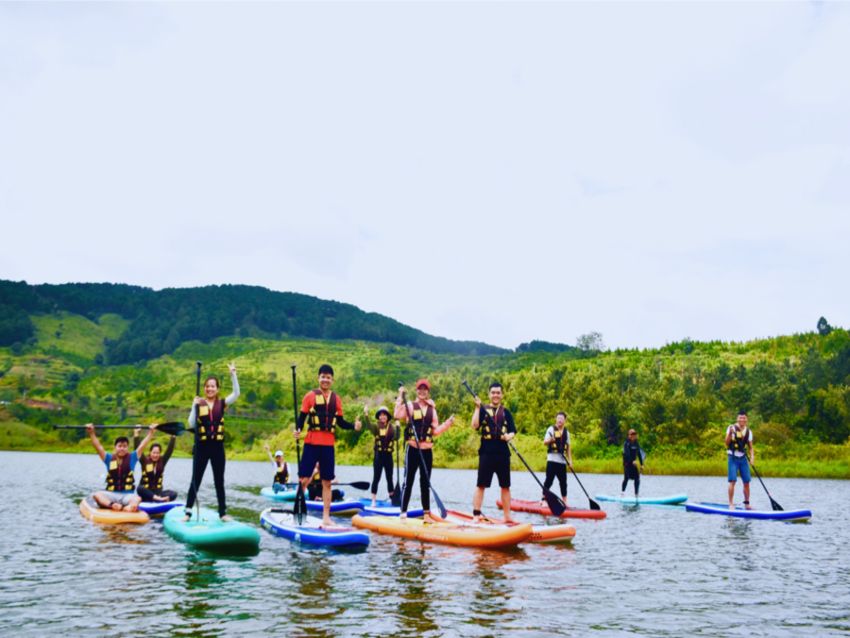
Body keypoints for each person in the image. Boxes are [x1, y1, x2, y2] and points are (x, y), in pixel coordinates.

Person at [294, 364, 361, 526]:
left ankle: (326, 517)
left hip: (328, 445)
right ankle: (298, 511)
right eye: (323, 377)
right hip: (311, 442)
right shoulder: (309, 396)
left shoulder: (336, 399)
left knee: (327, 482)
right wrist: (297, 430)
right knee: (304, 480)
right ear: (318, 378)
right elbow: (301, 418)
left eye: (328, 377)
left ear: (332, 380)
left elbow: (340, 422)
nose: (325, 380)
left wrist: (354, 426)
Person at [184, 362, 239, 521]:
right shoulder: (198, 403)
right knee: (196, 480)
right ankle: (188, 512)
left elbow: (236, 394)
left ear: (217, 389)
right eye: (207, 386)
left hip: (217, 447)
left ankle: (222, 513)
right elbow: (191, 424)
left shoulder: (222, 403)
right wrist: (193, 406)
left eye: (213, 386)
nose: (210, 389)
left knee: (219, 481)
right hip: (201, 447)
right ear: (204, 388)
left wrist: (233, 375)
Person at [394, 379, 454, 521]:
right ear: (417, 391)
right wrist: (400, 397)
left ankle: (426, 514)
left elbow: (435, 431)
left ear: (428, 392)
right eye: (420, 389)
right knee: (408, 481)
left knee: (425, 483)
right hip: (413, 449)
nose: (422, 391)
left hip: (426, 451)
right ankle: (403, 513)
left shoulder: (432, 410)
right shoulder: (409, 405)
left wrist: (448, 424)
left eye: (425, 389)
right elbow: (397, 415)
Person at [471, 382, 517, 523]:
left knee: (505, 486)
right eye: (493, 392)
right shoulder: (483, 410)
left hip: (503, 452)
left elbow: (513, 431)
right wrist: (477, 408)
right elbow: (474, 425)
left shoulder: (506, 412)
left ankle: (507, 516)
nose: (495, 395)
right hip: (486, 451)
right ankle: (476, 515)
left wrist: (509, 436)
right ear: (489, 394)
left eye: (498, 393)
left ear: (502, 395)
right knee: (481, 484)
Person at [87, 423, 156, 511]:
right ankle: (113, 505)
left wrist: (151, 433)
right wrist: (91, 433)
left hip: (127, 495)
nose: (122, 448)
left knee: (137, 498)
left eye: (124, 446)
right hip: (111, 494)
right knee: (97, 495)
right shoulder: (108, 458)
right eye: (119, 446)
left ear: (127, 448)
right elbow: (98, 447)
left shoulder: (133, 457)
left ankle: (128, 507)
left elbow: (142, 445)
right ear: (115, 447)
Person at [364, 406, 397, 506]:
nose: (382, 417)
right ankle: (373, 500)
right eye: (381, 415)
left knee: (389, 478)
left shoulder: (392, 428)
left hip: (388, 456)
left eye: (384, 415)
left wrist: (399, 427)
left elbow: (397, 437)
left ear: (387, 417)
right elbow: (369, 426)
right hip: (378, 456)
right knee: (376, 478)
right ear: (379, 417)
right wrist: (366, 415)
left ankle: (392, 499)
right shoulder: (376, 427)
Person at [134, 427, 178, 503]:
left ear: (160, 453)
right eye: (154, 453)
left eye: (157, 453)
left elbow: (169, 450)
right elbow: (138, 449)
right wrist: (136, 435)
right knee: (139, 489)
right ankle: (158, 499)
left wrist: (173, 437)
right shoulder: (144, 460)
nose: (155, 455)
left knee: (174, 494)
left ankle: (157, 498)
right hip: (146, 491)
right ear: (150, 452)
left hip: (158, 492)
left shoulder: (162, 461)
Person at [541, 411, 572, 506]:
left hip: (562, 462)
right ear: (556, 419)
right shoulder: (551, 429)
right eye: (558, 418)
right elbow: (545, 442)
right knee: (549, 480)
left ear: (565, 420)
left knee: (563, 483)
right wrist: (551, 440)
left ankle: (565, 501)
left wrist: (570, 461)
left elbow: (568, 448)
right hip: (552, 460)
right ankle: (543, 500)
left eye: (561, 419)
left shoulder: (567, 433)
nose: (559, 420)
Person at [726, 410, 754, 508]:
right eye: (740, 418)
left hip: (743, 458)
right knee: (732, 481)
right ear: (737, 419)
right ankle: (731, 503)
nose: (742, 419)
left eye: (744, 418)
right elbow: (726, 443)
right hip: (732, 457)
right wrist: (730, 434)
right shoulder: (731, 427)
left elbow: (751, 448)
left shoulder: (749, 432)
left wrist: (752, 458)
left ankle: (747, 504)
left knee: (746, 482)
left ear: (746, 419)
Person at [621, 428, 645, 497]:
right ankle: (622, 493)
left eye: (634, 434)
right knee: (626, 478)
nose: (633, 435)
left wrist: (642, 464)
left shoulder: (636, 443)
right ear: (629, 435)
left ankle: (636, 494)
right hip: (627, 464)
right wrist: (632, 461)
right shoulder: (626, 443)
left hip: (634, 464)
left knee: (637, 478)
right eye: (632, 434)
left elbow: (639, 454)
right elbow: (627, 454)